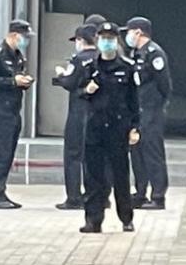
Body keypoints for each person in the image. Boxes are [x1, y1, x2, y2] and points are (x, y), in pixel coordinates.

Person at [79, 22, 140, 234]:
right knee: (93, 177)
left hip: (118, 128)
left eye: (111, 38)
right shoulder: (90, 67)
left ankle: (126, 218)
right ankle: (93, 220)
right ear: (97, 40)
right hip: (95, 129)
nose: (107, 42)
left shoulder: (126, 67)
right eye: (103, 38)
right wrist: (87, 89)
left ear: (116, 41)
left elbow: (134, 101)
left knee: (120, 175)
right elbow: (79, 92)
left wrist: (134, 127)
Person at [0, 19, 35, 209]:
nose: (26, 41)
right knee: (2, 153)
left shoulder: (18, 56)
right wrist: (13, 82)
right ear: (14, 36)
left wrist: (24, 82)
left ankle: (2, 192)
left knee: (9, 154)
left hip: (14, 109)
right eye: (24, 37)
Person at [125, 17, 172, 210]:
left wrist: (157, 105)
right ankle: (141, 192)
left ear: (139, 32)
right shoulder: (136, 53)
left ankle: (158, 195)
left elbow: (164, 84)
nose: (128, 36)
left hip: (151, 109)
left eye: (129, 32)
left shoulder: (154, 53)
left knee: (153, 151)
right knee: (137, 152)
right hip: (138, 110)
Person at [52, 23, 98, 210]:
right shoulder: (102, 58)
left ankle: (73, 197)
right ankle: (94, 194)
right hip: (97, 113)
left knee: (73, 155)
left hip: (79, 112)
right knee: (93, 156)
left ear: (80, 40)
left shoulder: (78, 60)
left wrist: (61, 75)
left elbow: (70, 82)